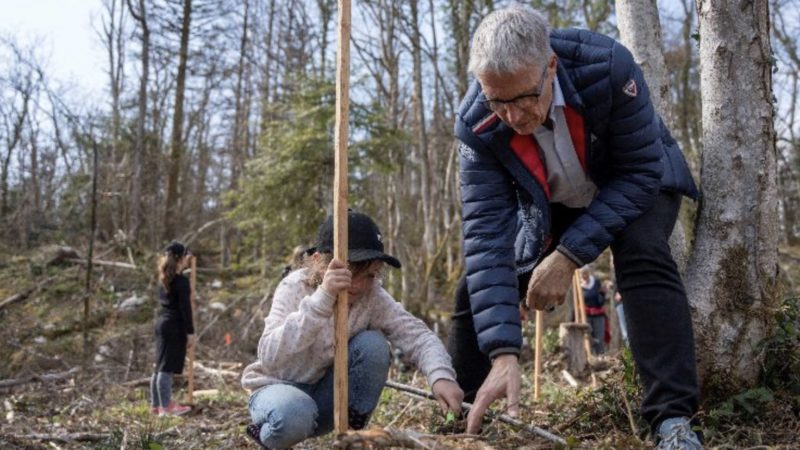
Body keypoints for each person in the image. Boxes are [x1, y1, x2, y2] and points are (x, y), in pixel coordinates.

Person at [446, 4, 702, 448]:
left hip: (633, 180)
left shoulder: (607, 67)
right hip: (556, 203)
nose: (512, 116)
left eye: (524, 97)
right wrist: (505, 352)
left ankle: (673, 420)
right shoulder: (477, 122)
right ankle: (467, 416)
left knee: (642, 252)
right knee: (475, 287)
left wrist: (567, 257)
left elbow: (641, 172)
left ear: (550, 66)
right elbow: (486, 234)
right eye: (497, 100)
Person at [241, 211, 463, 450]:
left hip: (327, 399)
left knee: (373, 344)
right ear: (318, 261)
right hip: (278, 392)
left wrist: (441, 375)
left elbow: (419, 336)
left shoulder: (373, 296)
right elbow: (270, 357)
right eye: (348, 270)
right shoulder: (294, 287)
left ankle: (353, 436)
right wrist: (323, 299)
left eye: (368, 274)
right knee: (294, 415)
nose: (357, 284)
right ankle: (269, 436)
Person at [150, 241, 194, 416]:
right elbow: (185, 308)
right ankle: (166, 406)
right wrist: (190, 331)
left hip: (161, 323)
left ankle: (156, 405)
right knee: (166, 367)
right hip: (174, 326)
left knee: (159, 366)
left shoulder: (164, 278)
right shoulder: (181, 282)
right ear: (181, 258)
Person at [580, 266, 606, 355]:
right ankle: (589, 358)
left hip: (598, 314)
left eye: (585, 273)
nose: (584, 276)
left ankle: (601, 357)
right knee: (587, 338)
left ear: (589, 272)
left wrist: (603, 293)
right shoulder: (578, 286)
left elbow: (601, 299)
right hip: (585, 315)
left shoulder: (596, 282)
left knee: (599, 337)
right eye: (582, 274)